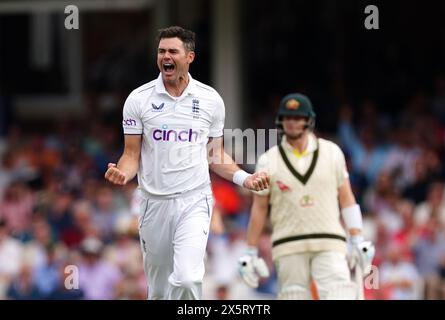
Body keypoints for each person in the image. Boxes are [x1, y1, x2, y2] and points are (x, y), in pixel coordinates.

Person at [104, 26, 269, 300]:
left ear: (189, 57)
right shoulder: (138, 99)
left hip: (194, 200)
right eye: (161, 51)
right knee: (158, 290)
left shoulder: (210, 100)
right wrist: (123, 172)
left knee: (187, 277)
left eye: (172, 51)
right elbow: (131, 154)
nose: (165, 57)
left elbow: (215, 155)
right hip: (153, 203)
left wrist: (244, 178)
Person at [238, 93, 374, 299]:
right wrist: (250, 251)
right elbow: (259, 208)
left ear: (308, 119)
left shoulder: (332, 152)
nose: (292, 123)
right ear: (280, 121)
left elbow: (347, 198)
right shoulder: (268, 160)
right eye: (287, 117)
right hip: (288, 244)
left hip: (330, 242)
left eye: (298, 117)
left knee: (340, 294)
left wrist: (357, 238)